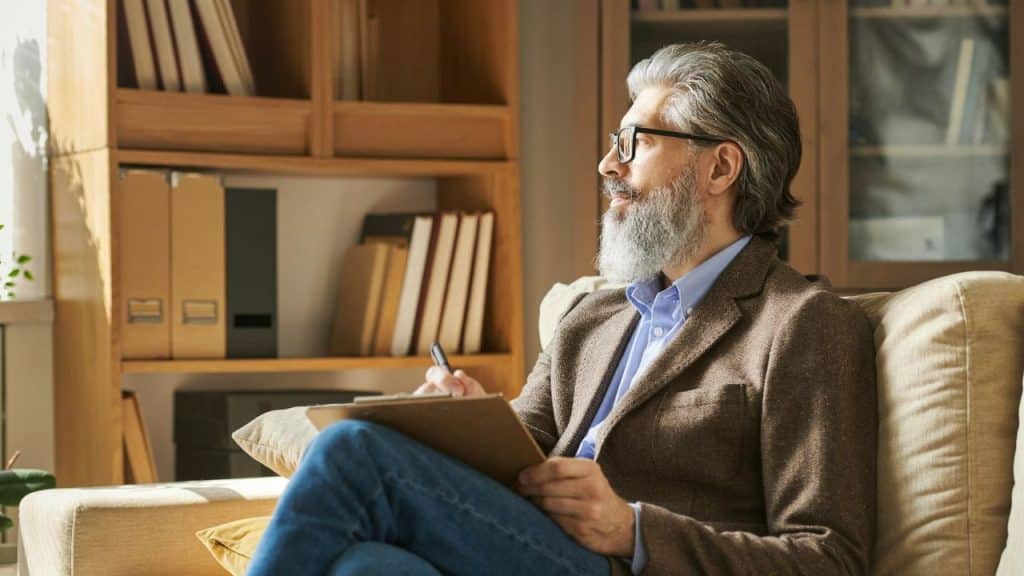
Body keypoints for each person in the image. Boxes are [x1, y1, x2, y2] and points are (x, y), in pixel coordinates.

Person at [247, 42, 876, 576]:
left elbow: (827, 556)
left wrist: (631, 531)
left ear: (721, 166)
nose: (608, 165)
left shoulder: (802, 323)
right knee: (369, 570)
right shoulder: (592, 320)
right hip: (534, 545)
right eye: (613, 142)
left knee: (351, 450)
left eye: (635, 141)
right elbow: (526, 449)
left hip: (616, 566)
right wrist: (465, 425)